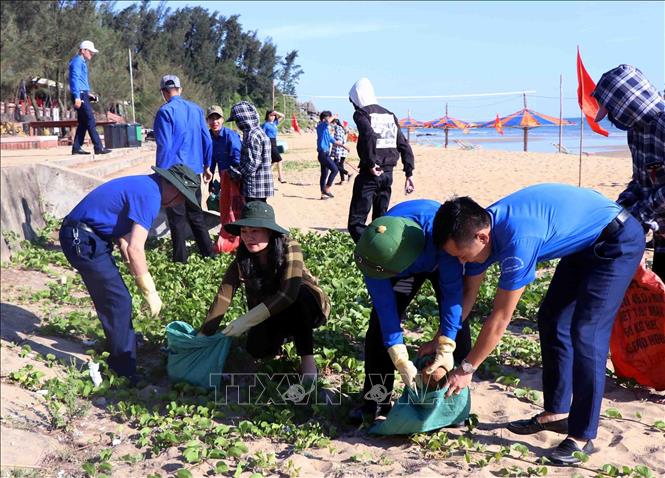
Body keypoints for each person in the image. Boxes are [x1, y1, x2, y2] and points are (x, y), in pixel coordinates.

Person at [432, 184, 644, 465]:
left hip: (617, 241)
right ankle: (556, 414)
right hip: (583, 243)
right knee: (552, 318)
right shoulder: (481, 231)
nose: (461, 261)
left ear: (482, 236)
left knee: (587, 332)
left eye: (461, 255)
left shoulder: (519, 240)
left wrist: (467, 368)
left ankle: (582, 435)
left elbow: (500, 318)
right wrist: (443, 340)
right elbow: (468, 295)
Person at [59, 164, 202, 381]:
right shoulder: (150, 196)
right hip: (82, 239)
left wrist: (138, 278)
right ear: (174, 188)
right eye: (183, 198)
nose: (180, 203)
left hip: (90, 237)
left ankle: (123, 348)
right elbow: (135, 248)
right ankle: (123, 371)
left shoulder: (146, 186)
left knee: (117, 297)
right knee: (117, 300)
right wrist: (150, 292)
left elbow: (125, 242)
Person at [351, 199, 472, 424]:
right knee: (378, 327)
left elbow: (452, 297)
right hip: (397, 264)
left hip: (434, 255)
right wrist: (399, 355)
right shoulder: (374, 251)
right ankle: (376, 399)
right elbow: (385, 308)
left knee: (458, 322)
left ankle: (454, 401)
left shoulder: (445, 240)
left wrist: (445, 346)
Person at [199, 201, 330, 377]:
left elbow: (288, 293)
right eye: (244, 231)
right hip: (269, 310)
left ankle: (307, 361)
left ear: (270, 232)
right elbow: (223, 297)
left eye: (255, 231)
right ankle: (281, 338)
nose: (248, 237)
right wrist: (203, 335)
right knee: (257, 349)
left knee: (300, 294)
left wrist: (247, 320)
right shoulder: (242, 258)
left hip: (304, 307)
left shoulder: (290, 247)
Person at [592, 64, 665, 283]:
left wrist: (640, 215)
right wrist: (619, 211)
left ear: (626, 104)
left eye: (612, 111)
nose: (612, 119)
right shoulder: (635, 131)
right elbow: (641, 180)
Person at [154, 74, 215, 263]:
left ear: (164, 92)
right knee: (196, 215)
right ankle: (209, 254)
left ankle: (180, 260)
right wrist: (207, 165)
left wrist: (161, 174)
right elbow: (207, 139)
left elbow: (164, 146)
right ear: (180, 89)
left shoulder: (165, 112)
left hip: (174, 173)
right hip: (194, 171)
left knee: (177, 219)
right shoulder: (196, 110)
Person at [347, 78, 415, 243]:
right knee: (380, 221)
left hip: (371, 173)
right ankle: (382, 255)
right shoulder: (389, 115)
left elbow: (368, 135)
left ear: (357, 98)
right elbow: (403, 144)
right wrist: (409, 173)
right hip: (388, 174)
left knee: (356, 223)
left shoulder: (361, 113)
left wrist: (370, 163)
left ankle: (369, 253)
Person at [68, 40, 110, 155]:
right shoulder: (77, 62)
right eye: (90, 51)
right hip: (79, 95)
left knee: (83, 122)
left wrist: (87, 93)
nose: (92, 54)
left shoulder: (81, 62)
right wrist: (77, 96)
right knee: (90, 119)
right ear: (83, 50)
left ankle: (76, 147)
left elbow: (80, 81)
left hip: (82, 93)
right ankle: (98, 147)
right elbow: (74, 79)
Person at [227, 101, 274, 203]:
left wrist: (237, 173)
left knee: (254, 215)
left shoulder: (252, 135)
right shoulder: (258, 131)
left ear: (242, 119)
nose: (236, 124)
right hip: (261, 186)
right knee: (260, 214)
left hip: (254, 187)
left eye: (236, 120)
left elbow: (253, 163)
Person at [316, 111, 349, 200]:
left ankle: (323, 194)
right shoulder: (321, 126)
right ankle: (327, 189)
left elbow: (333, 141)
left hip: (325, 154)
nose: (331, 121)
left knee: (324, 174)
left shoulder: (326, 130)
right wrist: (334, 116)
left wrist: (344, 146)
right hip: (323, 154)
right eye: (329, 118)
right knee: (335, 170)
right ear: (323, 119)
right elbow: (327, 122)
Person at [207, 105, 241, 180]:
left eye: (217, 118)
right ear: (207, 120)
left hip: (234, 175)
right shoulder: (207, 137)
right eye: (212, 119)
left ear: (222, 119)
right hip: (222, 176)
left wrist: (233, 175)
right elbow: (209, 161)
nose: (215, 122)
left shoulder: (230, 136)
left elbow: (237, 158)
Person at [262, 110, 286, 184]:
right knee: (279, 160)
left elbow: (283, 116)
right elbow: (262, 134)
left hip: (274, 142)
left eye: (273, 116)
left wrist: (276, 112)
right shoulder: (265, 124)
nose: (272, 117)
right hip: (269, 143)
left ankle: (265, 175)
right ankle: (281, 177)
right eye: (270, 115)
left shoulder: (275, 123)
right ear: (267, 116)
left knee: (274, 161)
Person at [331, 118, 352, 184]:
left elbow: (338, 140)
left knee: (335, 164)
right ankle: (342, 180)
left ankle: (348, 173)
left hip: (339, 149)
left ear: (334, 122)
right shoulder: (342, 128)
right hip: (343, 149)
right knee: (340, 164)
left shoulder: (337, 128)